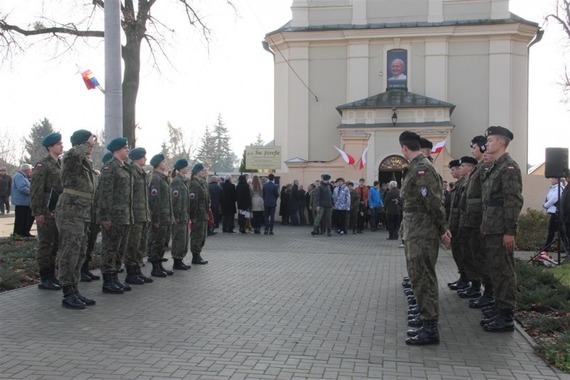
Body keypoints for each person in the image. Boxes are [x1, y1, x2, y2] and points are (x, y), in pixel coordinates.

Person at [399, 131, 451, 345]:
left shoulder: (421, 169)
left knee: (424, 278)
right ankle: (425, 320)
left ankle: (430, 328)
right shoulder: (416, 167)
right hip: (416, 230)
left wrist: (442, 229)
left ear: (404, 148)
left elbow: (432, 202)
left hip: (423, 231)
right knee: (418, 276)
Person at [480, 126, 523, 332]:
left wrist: (509, 231)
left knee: (504, 271)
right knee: (495, 270)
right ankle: (499, 308)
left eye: (490, 141)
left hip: (501, 229)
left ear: (501, 143)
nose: (486, 144)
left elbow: (512, 201)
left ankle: (506, 316)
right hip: (492, 227)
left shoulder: (509, 168)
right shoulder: (496, 167)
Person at [56, 129, 98, 309]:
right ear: (81, 143)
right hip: (70, 211)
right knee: (70, 252)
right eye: (89, 143)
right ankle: (67, 293)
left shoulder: (85, 162)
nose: (92, 146)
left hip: (83, 212)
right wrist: (85, 142)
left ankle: (74, 289)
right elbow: (75, 152)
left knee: (80, 252)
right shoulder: (71, 156)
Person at [460, 136, 495, 309]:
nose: (472, 150)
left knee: (482, 258)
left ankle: (488, 293)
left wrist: (484, 221)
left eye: (474, 147)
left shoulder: (484, 168)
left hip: (479, 219)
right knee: (475, 256)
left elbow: (485, 197)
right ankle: (480, 289)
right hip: (471, 219)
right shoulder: (478, 168)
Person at [95, 137, 133, 294]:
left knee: (119, 248)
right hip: (113, 216)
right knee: (110, 248)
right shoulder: (110, 167)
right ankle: (108, 280)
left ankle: (115, 277)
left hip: (124, 215)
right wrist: (104, 217)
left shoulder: (124, 167)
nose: (128, 150)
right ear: (117, 150)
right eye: (125, 148)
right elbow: (105, 194)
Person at [30, 132, 63, 291]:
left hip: (57, 211)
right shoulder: (43, 165)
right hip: (45, 211)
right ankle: (44, 278)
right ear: (50, 147)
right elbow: (36, 190)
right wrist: (38, 212)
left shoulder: (60, 164)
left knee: (55, 244)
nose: (62, 146)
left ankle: (52, 276)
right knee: (46, 245)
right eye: (59, 144)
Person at [124, 147, 153, 284]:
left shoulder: (142, 173)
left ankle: (137, 271)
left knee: (141, 245)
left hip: (143, 214)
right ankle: (131, 273)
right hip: (135, 214)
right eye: (143, 157)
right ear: (137, 158)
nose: (145, 159)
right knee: (133, 245)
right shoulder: (131, 172)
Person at [455, 156, 482, 300]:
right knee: (466, 255)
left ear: (471, 167)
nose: (460, 169)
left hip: (473, 224)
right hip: (465, 223)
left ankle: (476, 286)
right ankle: (469, 282)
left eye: (462, 166)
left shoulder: (470, 182)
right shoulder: (465, 183)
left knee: (474, 257)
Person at [148, 153, 174, 277]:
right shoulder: (156, 179)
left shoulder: (163, 178)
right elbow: (155, 200)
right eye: (163, 162)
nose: (165, 164)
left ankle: (160, 265)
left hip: (166, 216)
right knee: (157, 242)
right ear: (158, 164)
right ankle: (155, 268)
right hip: (160, 217)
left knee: (163, 242)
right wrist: (155, 219)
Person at [446, 159, 468, 292]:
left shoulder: (464, 184)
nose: (453, 172)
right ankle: (463, 278)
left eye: (454, 169)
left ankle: (467, 280)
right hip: (455, 224)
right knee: (457, 253)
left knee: (463, 254)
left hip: (461, 224)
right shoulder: (458, 185)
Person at [170, 158, 191, 270]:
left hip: (184, 216)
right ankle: (177, 260)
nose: (187, 168)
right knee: (178, 238)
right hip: (179, 216)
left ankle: (180, 259)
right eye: (186, 166)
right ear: (182, 168)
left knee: (184, 239)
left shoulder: (184, 180)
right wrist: (176, 216)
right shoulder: (177, 181)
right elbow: (175, 201)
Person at [188, 163, 210, 264]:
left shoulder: (202, 183)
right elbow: (193, 201)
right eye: (202, 170)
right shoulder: (194, 183)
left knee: (202, 235)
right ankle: (195, 255)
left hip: (203, 213)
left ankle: (198, 254)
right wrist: (193, 216)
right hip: (198, 214)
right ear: (197, 172)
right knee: (197, 235)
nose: (204, 172)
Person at [12, 163, 34, 237]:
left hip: (25, 202)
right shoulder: (19, 176)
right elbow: (22, 188)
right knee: (20, 219)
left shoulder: (24, 177)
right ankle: (17, 234)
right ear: (26, 170)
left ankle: (24, 232)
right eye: (30, 170)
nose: (30, 172)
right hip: (21, 202)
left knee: (26, 218)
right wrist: (32, 192)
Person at [543, 177, 564, 251]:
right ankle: (567, 249)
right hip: (553, 211)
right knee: (561, 232)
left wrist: (546, 205)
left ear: (558, 180)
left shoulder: (559, 188)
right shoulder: (553, 188)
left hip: (556, 212)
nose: (551, 180)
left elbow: (554, 199)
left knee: (552, 231)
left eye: (553, 178)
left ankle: (545, 249)